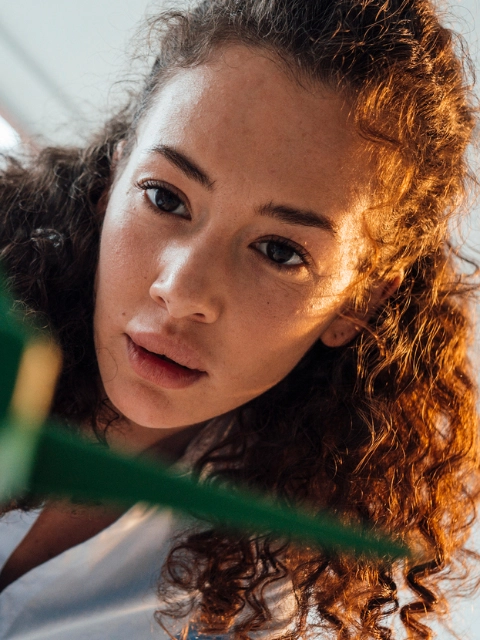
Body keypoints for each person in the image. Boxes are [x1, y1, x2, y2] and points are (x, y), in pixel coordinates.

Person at [0, 0, 479, 638]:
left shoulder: (242, 601)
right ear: (114, 176)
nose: (183, 289)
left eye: (280, 252)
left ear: (355, 304)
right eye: (165, 196)